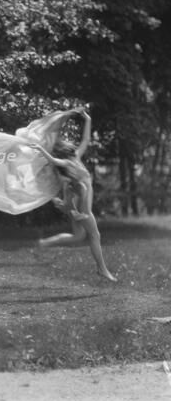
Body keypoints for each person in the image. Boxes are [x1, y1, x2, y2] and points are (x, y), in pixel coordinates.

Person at [30, 108, 117, 282]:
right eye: (67, 143)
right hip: (81, 208)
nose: (71, 143)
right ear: (65, 150)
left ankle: (44, 243)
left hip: (76, 207)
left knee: (78, 236)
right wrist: (41, 149)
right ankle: (102, 269)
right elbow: (54, 161)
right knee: (95, 235)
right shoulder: (65, 164)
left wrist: (88, 120)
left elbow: (86, 139)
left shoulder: (76, 157)